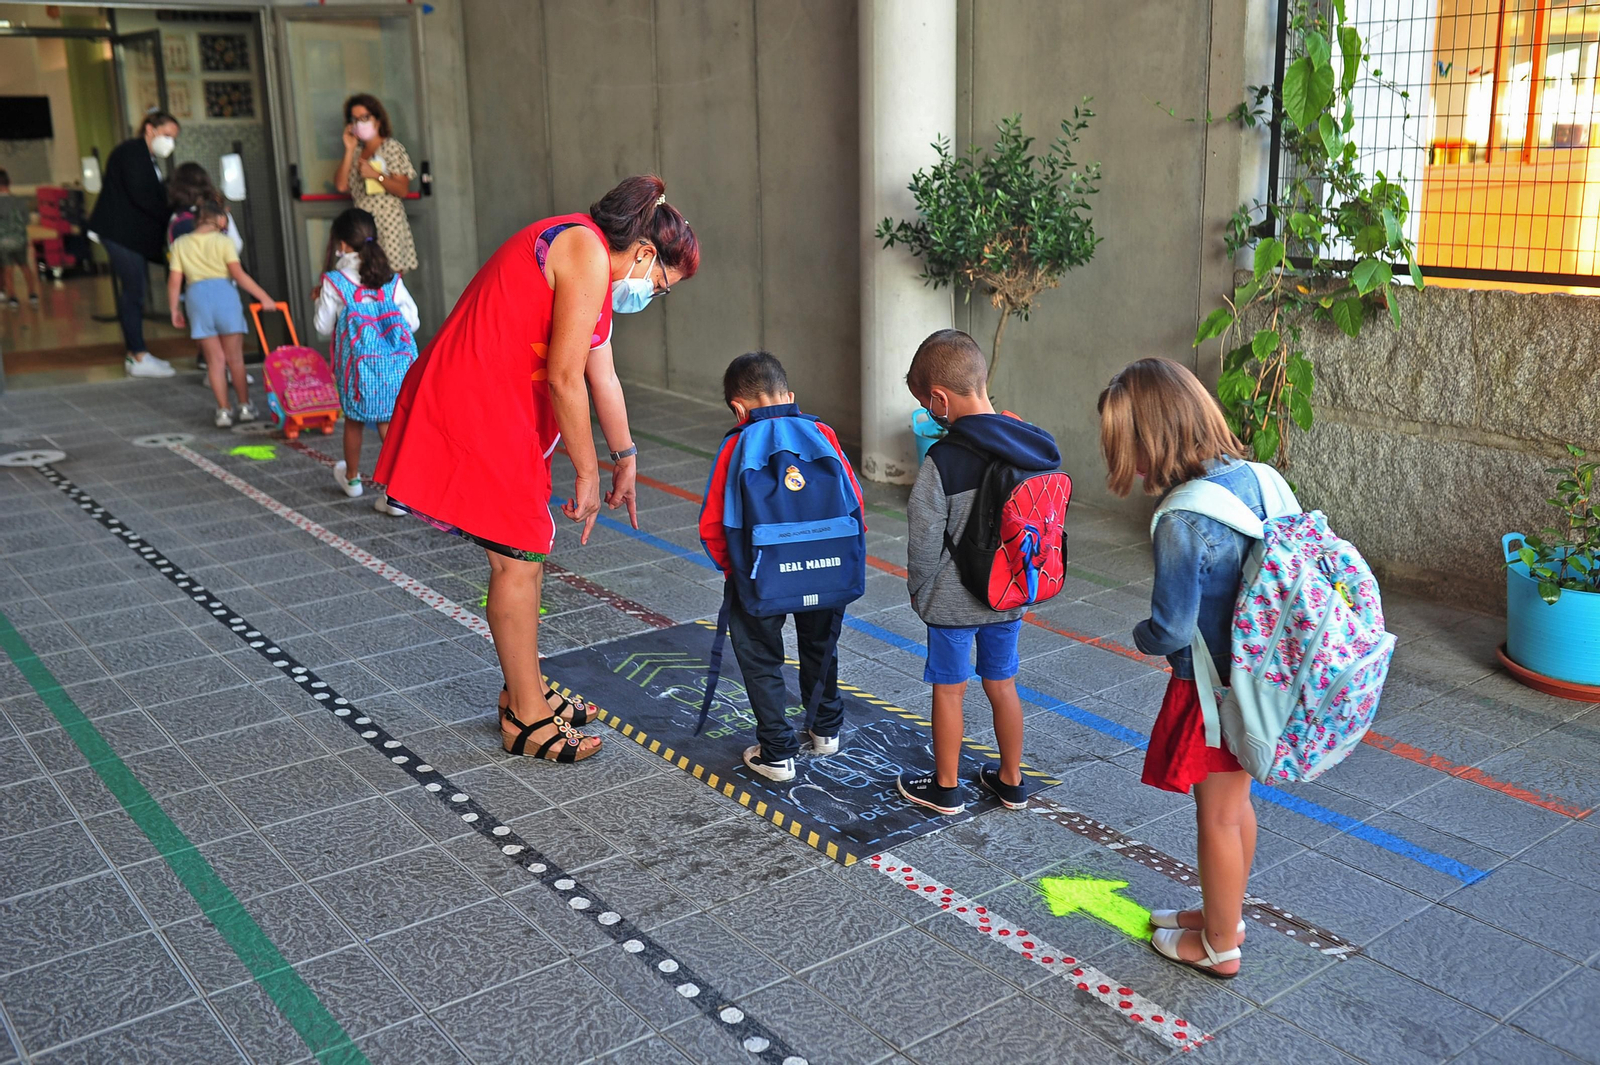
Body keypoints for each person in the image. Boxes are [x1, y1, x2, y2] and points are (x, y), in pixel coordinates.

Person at [375, 175, 698, 763]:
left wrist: (626, 458)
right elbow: (564, 377)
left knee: (519, 554)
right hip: (477, 405)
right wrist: (587, 473)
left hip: (490, 405)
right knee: (519, 556)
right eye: (659, 285)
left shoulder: (590, 255)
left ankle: (524, 687)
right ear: (647, 252)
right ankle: (523, 715)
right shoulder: (585, 250)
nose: (651, 295)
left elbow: (603, 374)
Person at [1098, 356, 1259, 978]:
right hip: (1258, 679)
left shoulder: (1182, 516)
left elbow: (1169, 626)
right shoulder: (1254, 478)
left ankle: (1220, 946)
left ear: (1153, 437)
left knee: (1215, 815)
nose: (1126, 461)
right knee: (1236, 807)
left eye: (1126, 445)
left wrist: (1140, 636)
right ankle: (1226, 914)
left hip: (1213, 689)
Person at [898, 329, 1060, 815]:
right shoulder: (1030, 445)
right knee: (1003, 683)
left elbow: (924, 540)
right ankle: (1011, 780)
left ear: (940, 399)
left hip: (951, 600)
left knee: (950, 689)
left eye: (928, 406)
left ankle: (945, 786)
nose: (929, 415)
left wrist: (920, 590)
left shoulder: (943, 459)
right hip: (1010, 591)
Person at [698, 352, 864, 782]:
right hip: (827, 568)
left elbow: (713, 524)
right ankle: (826, 730)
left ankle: (777, 754)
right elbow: (856, 505)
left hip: (760, 574)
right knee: (820, 647)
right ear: (791, 395)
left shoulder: (737, 444)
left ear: (738, 407)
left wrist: (734, 571)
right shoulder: (821, 432)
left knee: (761, 659)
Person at [314, 208, 420, 513]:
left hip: (357, 370)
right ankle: (395, 495)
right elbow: (412, 321)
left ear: (343, 245)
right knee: (388, 421)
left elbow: (322, 327)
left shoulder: (335, 281)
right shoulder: (390, 278)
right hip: (395, 368)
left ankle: (352, 480)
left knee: (355, 420)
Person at [167, 199, 277, 427]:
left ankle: (223, 411)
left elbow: (175, 280)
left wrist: (174, 309)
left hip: (196, 298)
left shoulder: (180, 243)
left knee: (215, 361)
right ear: (220, 220)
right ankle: (245, 406)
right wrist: (264, 297)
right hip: (224, 297)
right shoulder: (223, 241)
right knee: (235, 359)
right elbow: (238, 275)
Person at [88, 109, 180, 379]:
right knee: (134, 292)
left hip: (127, 234)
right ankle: (137, 354)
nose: (170, 143)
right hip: (120, 234)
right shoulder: (131, 153)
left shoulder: (145, 156)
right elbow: (143, 195)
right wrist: (170, 214)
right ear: (150, 128)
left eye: (173, 138)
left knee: (135, 291)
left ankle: (136, 354)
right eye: (166, 135)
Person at [167, 162, 244, 379]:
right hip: (224, 284)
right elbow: (236, 244)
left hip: (195, 289)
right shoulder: (217, 214)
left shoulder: (176, 219)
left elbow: (175, 262)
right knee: (228, 335)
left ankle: (210, 365)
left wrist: (174, 307)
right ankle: (234, 375)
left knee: (207, 332)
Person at [334, 94, 418, 275]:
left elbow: (402, 189)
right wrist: (349, 149)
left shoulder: (391, 148)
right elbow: (341, 185)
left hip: (388, 223)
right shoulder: (356, 152)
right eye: (354, 119)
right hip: (363, 226)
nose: (360, 123)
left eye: (365, 117)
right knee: (363, 276)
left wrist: (376, 176)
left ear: (378, 119)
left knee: (390, 280)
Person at [0, 170, 41, 309]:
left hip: (3, 242)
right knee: (25, 267)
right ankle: (32, 294)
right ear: (9, 183)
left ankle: (12, 297)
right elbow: (26, 220)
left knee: (8, 269)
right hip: (20, 240)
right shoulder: (20, 201)